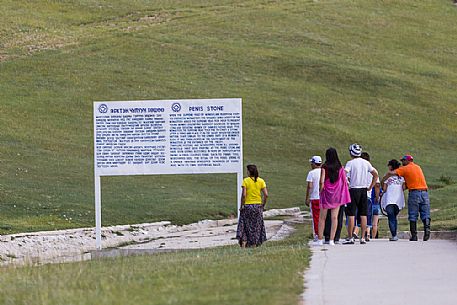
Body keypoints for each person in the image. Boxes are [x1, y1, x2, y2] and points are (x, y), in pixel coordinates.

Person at [382, 155, 430, 241]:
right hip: (424, 192)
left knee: (413, 214)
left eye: (403, 161)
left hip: (414, 193)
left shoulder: (405, 168)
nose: (402, 163)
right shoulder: (418, 167)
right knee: (425, 213)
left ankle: (414, 236)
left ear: (407, 161)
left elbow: (391, 173)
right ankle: (427, 230)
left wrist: (384, 179)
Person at [343, 144, 378, 245]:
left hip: (353, 189)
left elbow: (344, 174)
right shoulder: (366, 163)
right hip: (364, 190)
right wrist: (371, 186)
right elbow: (375, 174)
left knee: (351, 214)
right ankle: (362, 237)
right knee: (363, 214)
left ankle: (351, 237)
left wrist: (346, 183)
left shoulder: (350, 163)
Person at [316, 148, 351, 246]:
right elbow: (344, 181)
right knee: (334, 217)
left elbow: (322, 181)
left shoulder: (324, 167)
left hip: (326, 194)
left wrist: (320, 190)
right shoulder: (340, 167)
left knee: (322, 218)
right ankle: (332, 240)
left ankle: (320, 239)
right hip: (336, 194)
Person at [236, 164, 268, 248]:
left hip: (247, 206)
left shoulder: (246, 181)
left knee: (244, 225)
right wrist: (263, 205)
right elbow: (266, 194)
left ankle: (244, 241)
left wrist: (242, 205)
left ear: (249, 171)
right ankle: (254, 244)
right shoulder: (261, 181)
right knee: (256, 226)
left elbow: (243, 195)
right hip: (257, 206)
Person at [381, 159, 405, 241]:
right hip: (398, 200)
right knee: (394, 217)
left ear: (391, 166)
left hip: (389, 199)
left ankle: (394, 235)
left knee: (391, 218)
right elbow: (404, 187)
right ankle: (394, 234)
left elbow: (384, 189)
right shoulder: (401, 177)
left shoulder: (387, 176)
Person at [305, 156, 322, 242]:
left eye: (312, 163)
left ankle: (317, 234)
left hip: (315, 197)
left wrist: (307, 197)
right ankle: (324, 233)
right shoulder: (324, 171)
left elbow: (310, 186)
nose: (311, 164)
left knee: (316, 217)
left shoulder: (311, 173)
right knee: (323, 217)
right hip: (323, 198)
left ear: (315, 163)